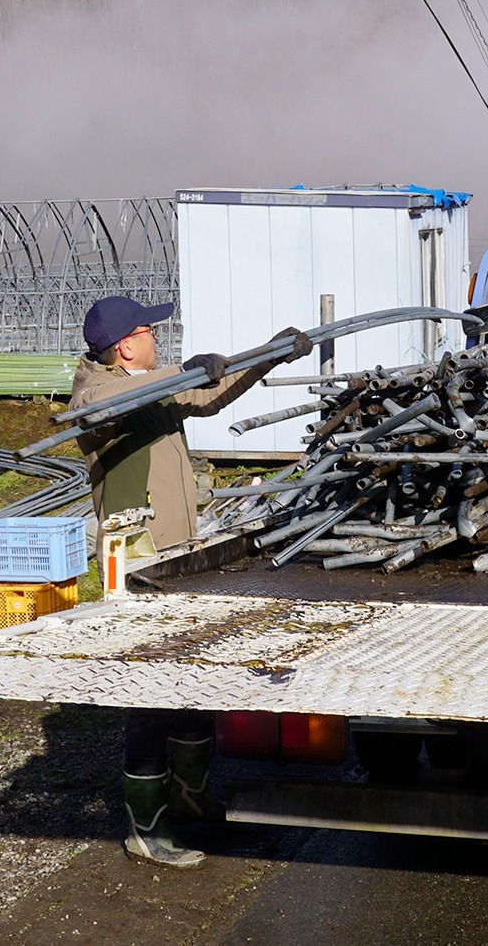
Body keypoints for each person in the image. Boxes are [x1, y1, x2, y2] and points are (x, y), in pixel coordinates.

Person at [67, 295, 312, 869]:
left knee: (192, 678)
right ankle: (144, 827)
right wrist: (179, 371)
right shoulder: (95, 391)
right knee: (149, 695)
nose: (158, 338)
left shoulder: (150, 381)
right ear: (125, 344)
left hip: (180, 552)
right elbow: (98, 408)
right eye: (149, 331)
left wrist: (265, 358)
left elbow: (205, 395)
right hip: (136, 560)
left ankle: (189, 794)